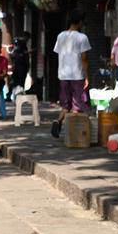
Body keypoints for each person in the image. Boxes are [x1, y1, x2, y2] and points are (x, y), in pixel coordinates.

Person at [51, 10, 91, 138]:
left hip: (63, 75)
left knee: (65, 105)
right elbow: (84, 59)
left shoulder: (60, 36)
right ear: (79, 22)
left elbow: (58, 53)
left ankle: (58, 121)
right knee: (77, 106)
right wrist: (87, 76)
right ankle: (75, 135)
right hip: (77, 75)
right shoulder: (82, 37)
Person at [9, 33, 31, 98]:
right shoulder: (22, 44)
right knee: (19, 81)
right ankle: (16, 94)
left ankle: (14, 94)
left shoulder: (18, 46)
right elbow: (22, 55)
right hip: (20, 66)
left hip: (19, 65)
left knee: (16, 81)